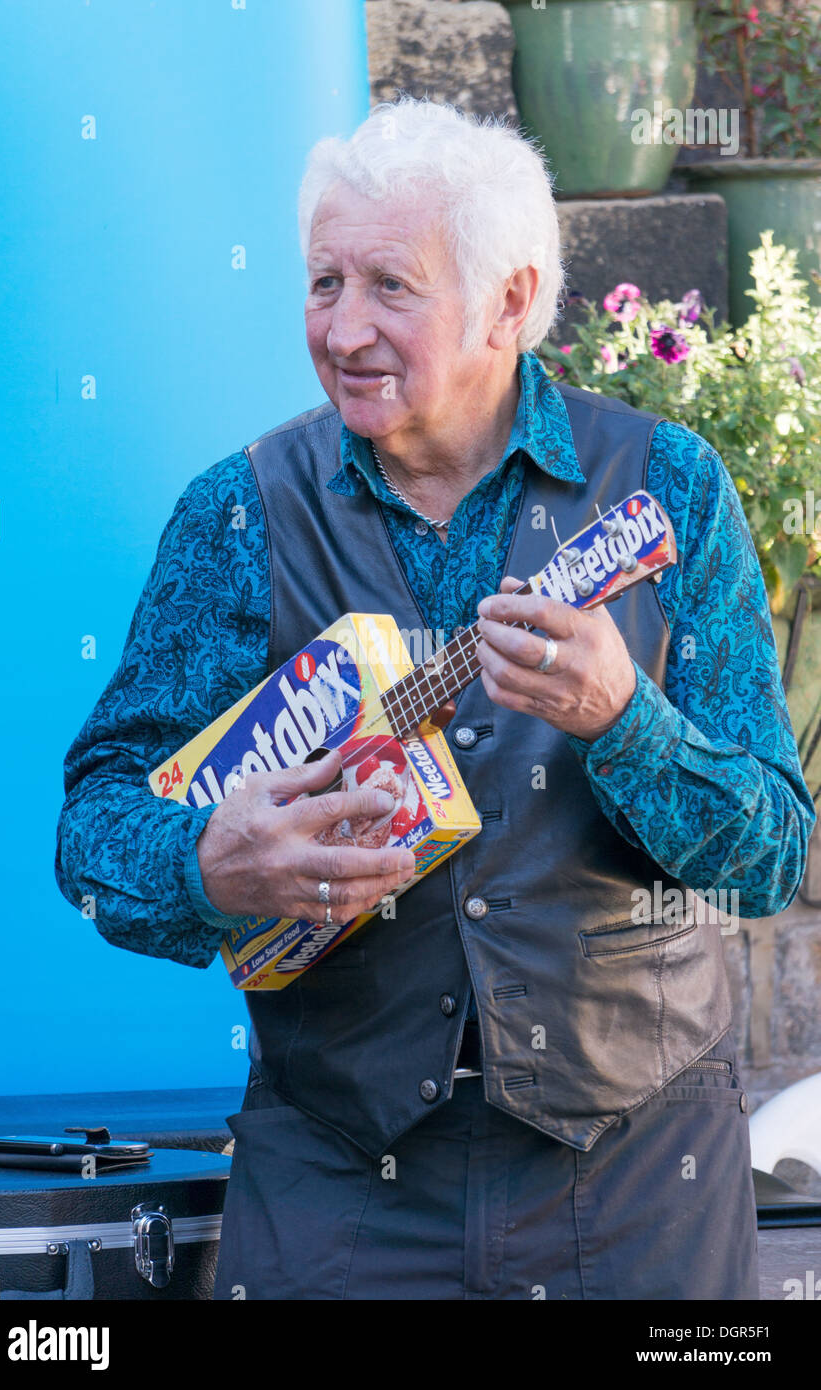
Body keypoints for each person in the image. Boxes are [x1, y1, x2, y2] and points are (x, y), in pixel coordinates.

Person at [55, 96, 815, 1301]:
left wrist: (627, 723)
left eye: (389, 287)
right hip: (337, 1183)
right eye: (323, 283)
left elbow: (767, 858)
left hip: (635, 1191)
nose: (342, 327)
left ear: (510, 301)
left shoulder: (667, 484)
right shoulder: (238, 513)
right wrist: (211, 863)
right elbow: (94, 833)